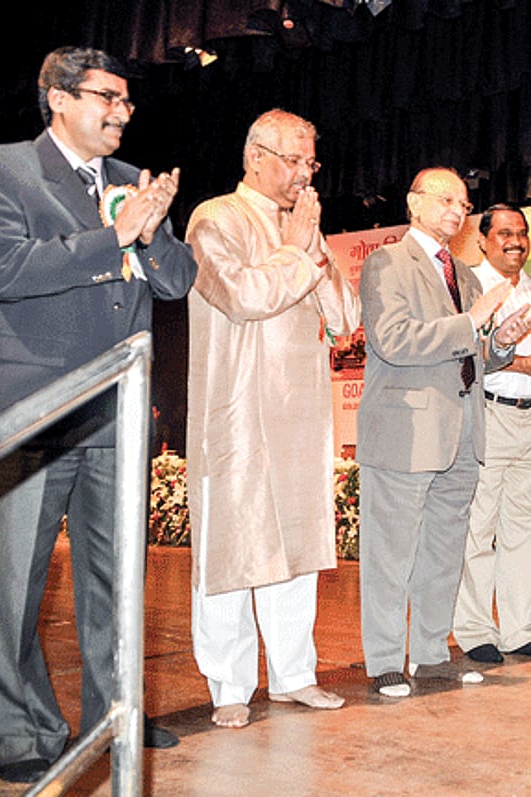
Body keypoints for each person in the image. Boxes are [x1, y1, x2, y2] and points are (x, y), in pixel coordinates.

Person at [0, 47, 196, 783]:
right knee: (10, 586)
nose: (122, 112)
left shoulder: (134, 182)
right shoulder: (0, 169)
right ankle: (16, 729)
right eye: (107, 97)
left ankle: (116, 713)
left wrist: (155, 233)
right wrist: (115, 237)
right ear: (57, 98)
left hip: (118, 411)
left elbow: (175, 282)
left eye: (127, 102)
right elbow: (2, 268)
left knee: (116, 577)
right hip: (32, 410)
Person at [185, 109, 360, 729]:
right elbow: (243, 297)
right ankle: (228, 685)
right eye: (293, 160)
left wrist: (312, 247)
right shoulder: (214, 219)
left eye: (311, 162)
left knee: (295, 550)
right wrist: (295, 250)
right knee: (233, 551)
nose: (303, 174)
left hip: (301, 414)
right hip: (236, 411)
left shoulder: (303, 227)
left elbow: (344, 316)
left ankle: (293, 676)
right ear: (254, 156)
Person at [356, 167, 531, 698]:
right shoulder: (387, 262)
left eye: (464, 202)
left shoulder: (465, 273)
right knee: (392, 551)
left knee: (443, 550)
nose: (458, 210)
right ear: (414, 203)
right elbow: (393, 340)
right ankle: (386, 659)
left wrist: (499, 341)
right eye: (447, 199)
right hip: (405, 429)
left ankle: (432, 654)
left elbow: (472, 354)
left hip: (461, 430)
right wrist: (473, 320)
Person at [452, 204, 531, 664]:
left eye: (521, 233)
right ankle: (476, 630)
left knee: (524, 531)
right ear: (482, 239)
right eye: (503, 233)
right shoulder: (471, 288)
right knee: (479, 529)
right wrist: (526, 364)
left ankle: (521, 631)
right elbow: (466, 353)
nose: (515, 241)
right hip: (490, 415)